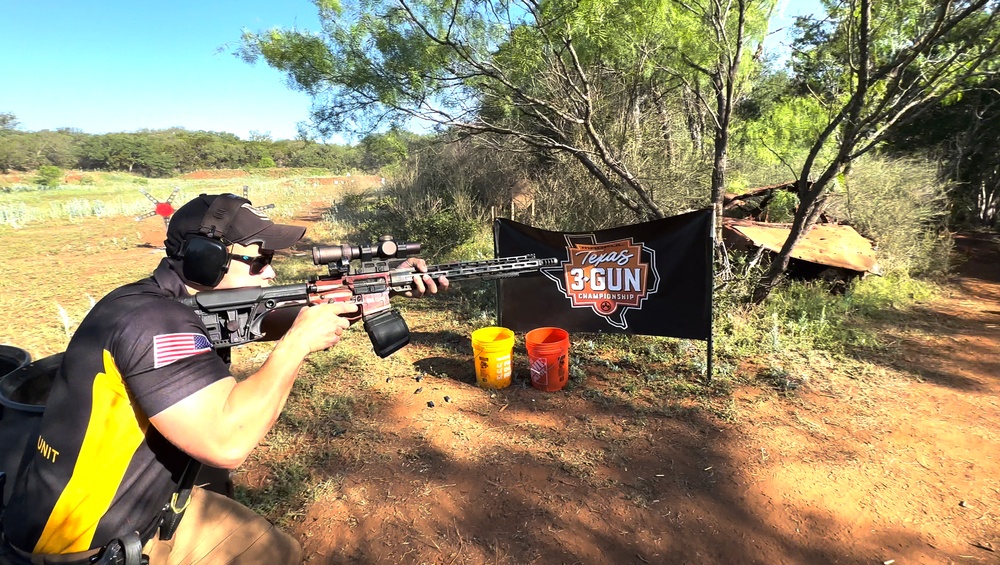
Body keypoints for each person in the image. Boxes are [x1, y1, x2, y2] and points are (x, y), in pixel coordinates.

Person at [0, 193, 448, 564]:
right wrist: (295, 346)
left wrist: (374, 291)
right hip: (84, 546)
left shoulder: (166, 300)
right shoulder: (153, 321)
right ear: (204, 260)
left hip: (145, 510)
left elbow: (264, 318)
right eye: (260, 259)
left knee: (277, 552)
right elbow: (226, 442)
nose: (270, 270)